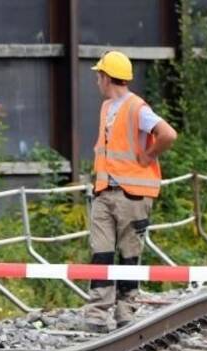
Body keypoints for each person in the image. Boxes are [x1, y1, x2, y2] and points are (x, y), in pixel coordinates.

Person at [83, 50, 177, 332]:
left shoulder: (137, 108)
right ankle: (97, 312)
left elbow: (168, 134)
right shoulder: (106, 108)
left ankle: (125, 311)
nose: (97, 81)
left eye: (99, 75)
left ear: (106, 77)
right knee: (100, 252)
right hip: (104, 192)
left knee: (128, 254)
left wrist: (148, 157)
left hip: (131, 194)